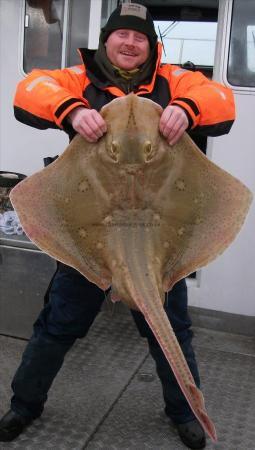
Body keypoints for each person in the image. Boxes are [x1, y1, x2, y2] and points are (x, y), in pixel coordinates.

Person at [0, 3, 235, 449]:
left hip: (158, 236)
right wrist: (69, 109)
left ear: (152, 45)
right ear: (106, 40)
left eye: (140, 37)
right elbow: (30, 89)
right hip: (92, 233)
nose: (130, 43)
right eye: (121, 35)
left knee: (171, 328)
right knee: (58, 324)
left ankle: (185, 411)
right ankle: (24, 405)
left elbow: (220, 101)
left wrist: (187, 108)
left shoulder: (174, 81)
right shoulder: (77, 80)